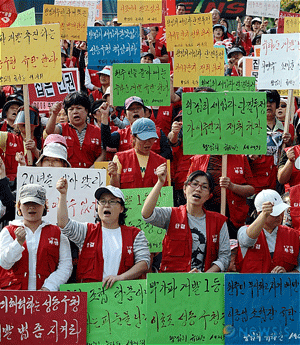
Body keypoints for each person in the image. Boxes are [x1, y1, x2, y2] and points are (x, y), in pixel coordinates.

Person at [56, 180, 150, 288]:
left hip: (124, 297)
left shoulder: (136, 234)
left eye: (112, 201)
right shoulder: (87, 231)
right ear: (97, 207)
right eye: (102, 201)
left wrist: (121, 277)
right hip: (92, 296)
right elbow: (63, 224)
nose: (106, 205)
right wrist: (63, 194)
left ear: (121, 208)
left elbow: (144, 263)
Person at [142, 168, 231, 272]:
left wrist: (205, 276)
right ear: (184, 188)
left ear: (209, 196)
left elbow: (225, 257)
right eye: (194, 184)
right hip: (174, 283)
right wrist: (160, 182)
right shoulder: (171, 214)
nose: (198, 189)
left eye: (204, 187)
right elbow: (146, 214)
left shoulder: (219, 221)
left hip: (204, 283)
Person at [0, 184, 72, 290]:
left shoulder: (57, 233)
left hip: (45, 298)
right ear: (19, 205)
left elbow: (66, 266)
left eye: (36, 203)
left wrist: (49, 287)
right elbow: (4, 263)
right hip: (15, 298)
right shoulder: (8, 231)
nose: (31, 207)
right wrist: (18, 243)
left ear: (44, 205)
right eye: (27, 203)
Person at [236, 189, 300, 273]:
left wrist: (287, 275)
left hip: (282, 285)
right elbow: (247, 240)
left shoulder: (294, 235)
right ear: (259, 213)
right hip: (252, 285)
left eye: (281, 211)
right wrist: (264, 214)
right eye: (274, 213)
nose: (279, 215)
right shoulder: (244, 231)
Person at [45, 92, 105, 168]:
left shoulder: (97, 131)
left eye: (79, 108)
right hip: (66, 175)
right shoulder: (62, 128)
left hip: (91, 175)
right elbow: (49, 131)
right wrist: (54, 114)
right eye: (71, 109)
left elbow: (102, 154)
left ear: (86, 111)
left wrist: (92, 170)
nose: (75, 112)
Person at [108, 118, 168, 189]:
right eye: (144, 139)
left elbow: (164, 193)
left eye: (152, 138)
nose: (148, 142)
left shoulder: (161, 162)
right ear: (133, 138)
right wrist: (114, 175)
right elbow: (114, 191)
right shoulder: (120, 158)